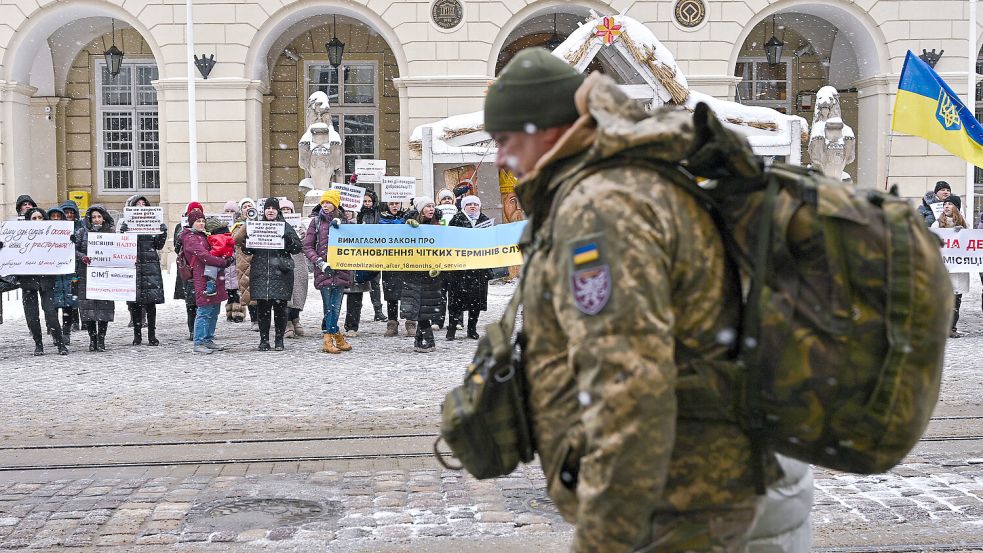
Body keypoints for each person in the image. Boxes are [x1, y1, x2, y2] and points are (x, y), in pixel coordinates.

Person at [483, 48, 777, 551]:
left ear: (550, 132)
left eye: (507, 140)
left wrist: (603, 538)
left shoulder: (599, 208)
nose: (500, 159)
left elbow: (629, 387)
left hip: (676, 497)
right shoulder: (628, 177)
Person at [235, 197, 303, 351]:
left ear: (277, 210)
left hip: (281, 273)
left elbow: (298, 247)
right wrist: (248, 242)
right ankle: (264, 340)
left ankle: (279, 340)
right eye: (268, 208)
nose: (270, 211)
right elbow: (244, 246)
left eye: (273, 208)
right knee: (263, 309)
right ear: (264, 211)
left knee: (280, 309)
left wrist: (287, 242)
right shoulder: (257, 226)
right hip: (261, 273)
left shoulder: (285, 227)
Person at [7, 208, 69, 355]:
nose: (37, 221)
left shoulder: (51, 235)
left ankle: (60, 343)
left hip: (46, 281)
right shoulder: (20, 236)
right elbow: (12, 253)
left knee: (51, 313)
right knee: (32, 315)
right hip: (28, 281)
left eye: (40, 218)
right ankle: (38, 344)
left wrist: (69, 242)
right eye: (34, 218)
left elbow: (62, 251)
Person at [303, 190, 353, 354]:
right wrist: (320, 262)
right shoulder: (316, 222)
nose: (325, 205)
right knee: (329, 306)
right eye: (323, 202)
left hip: (341, 270)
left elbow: (354, 243)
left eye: (329, 202)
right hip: (324, 269)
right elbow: (308, 246)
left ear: (335, 204)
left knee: (335, 307)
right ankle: (330, 339)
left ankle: (334, 336)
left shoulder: (345, 222)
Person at [119, 195, 168, 346]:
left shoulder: (153, 224)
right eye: (138, 204)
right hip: (133, 266)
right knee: (135, 303)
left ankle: (152, 335)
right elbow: (121, 245)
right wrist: (123, 232)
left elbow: (158, 245)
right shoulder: (127, 224)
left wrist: (162, 232)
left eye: (144, 204)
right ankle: (137, 335)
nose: (141, 206)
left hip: (150, 266)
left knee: (150, 303)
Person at [183, 212, 233, 354]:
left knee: (214, 310)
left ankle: (208, 339)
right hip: (202, 278)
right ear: (192, 222)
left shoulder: (203, 235)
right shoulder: (190, 237)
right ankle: (198, 342)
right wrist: (223, 262)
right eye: (198, 221)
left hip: (213, 277)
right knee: (204, 310)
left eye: (203, 221)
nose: (201, 223)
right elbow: (205, 256)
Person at [400, 197, 444, 352]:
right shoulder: (409, 223)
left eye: (433, 206)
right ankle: (426, 339)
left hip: (432, 272)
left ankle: (423, 339)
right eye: (428, 206)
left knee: (426, 306)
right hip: (413, 271)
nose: (431, 209)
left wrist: (439, 264)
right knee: (417, 306)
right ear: (420, 210)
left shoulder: (439, 223)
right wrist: (407, 229)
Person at [446, 195, 492, 340]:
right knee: (456, 300)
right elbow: (450, 240)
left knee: (476, 300)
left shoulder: (485, 220)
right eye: (469, 204)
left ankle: (472, 328)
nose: (473, 206)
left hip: (478, 268)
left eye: (475, 204)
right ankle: (452, 328)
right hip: (460, 268)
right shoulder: (456, 219)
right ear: (463, 206)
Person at [75, 205, 116, 352]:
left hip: (105, 276)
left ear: (104, 218)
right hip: (86, 275)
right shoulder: (81, 232)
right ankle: (92, 339)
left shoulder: (111, 233)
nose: (97, 220)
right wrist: (82, 257)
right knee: (88, 308)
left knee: (104, 307)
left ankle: (102, 339)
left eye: (99, 216)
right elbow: (74, 250)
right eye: (94, 217)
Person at [932, 196, 969, 338]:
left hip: (957, 269)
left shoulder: (964, 224)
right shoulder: (937, 225)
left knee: (955, 298)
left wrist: (963, 234)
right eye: (945, 204)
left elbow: (970, 245)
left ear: (957, 208)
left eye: (950, 204)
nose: (946, 206)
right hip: (943, 268)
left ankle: (951, 328)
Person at [45, 206, 79, 345]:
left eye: (58, 216)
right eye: (53, 216)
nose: (56, 219)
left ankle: (66, 333)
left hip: (67, 274)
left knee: (68, 305)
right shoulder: (44, 234)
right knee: (52, 307)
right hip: (52, 275)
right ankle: (55, 333)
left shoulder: (71, 232)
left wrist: (73, 241)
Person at [174, 201, 204, 340]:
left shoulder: (204, 228)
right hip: (188, 269)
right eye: (193, 210)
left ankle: (201, 329)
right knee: (191, 302)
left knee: (203, 302)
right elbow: (176, 248)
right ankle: (192, 330)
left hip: (202, 270)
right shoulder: (181, 229)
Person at [357, 190, 388, 322]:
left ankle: (378, 310)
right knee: (358, 282)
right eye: (365, 201)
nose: (367, 204)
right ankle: (355, 313)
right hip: (359, 251)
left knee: (375, 282)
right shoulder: (357, 214)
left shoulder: (379, 212)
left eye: (369, 201)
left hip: (376, 250)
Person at [280, 199, 309, 338]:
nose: (286, 212)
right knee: (286, 292)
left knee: (298, 291)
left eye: (288, 209)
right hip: (282, 262)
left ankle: (296, 318)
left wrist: (301, 238)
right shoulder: (275, 226)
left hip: (298, 261)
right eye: (283, 210)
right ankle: (287, 322)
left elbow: (307, 245)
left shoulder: (301, 226)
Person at [379, 201, 408, 337]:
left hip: (406, 260)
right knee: (391, 293)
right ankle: (392, 323)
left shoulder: (408, 216)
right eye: (392, 204)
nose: (394, 206)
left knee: (409, 293)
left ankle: (410, 322)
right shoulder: (382, 219)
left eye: (397, 203)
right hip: (390, 260)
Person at [233, 197, 259, 331]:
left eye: (250, 206)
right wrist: (247, 225)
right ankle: (254, 319)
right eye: (245, 207)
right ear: (241, 211)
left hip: (259, 259)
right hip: (244, 261)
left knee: (261, 290)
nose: (248, 208)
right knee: (248, 291)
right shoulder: (237, 225)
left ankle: (262, 318)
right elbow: (235, 240)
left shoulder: (261, 223)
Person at [222, 200, 245, 323]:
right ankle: (229, 311)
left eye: (232, 211)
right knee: (229, 288)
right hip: (226, 261)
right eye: (227, 211)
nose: (229, 213)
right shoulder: (221, 226)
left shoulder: (239, 225)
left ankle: (238, 312)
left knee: (237, 288)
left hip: (237, 259)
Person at [203, 218, 235, 296]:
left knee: (210, 267)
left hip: (222, 255)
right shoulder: (222, 234)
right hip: (225, 255)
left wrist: (209, 254)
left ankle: (211, 286)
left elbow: (219, 248)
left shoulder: (218, 236)